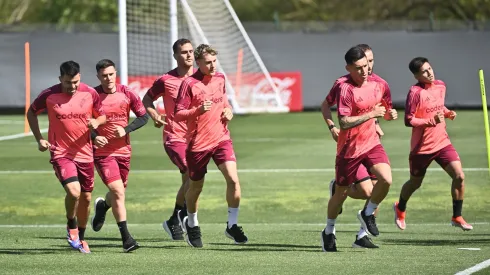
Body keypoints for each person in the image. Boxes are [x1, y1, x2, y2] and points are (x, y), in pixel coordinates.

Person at [320, 46, 397, 252]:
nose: (366, 70)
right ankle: (328, 231)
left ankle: (366, 219)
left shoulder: (380, 84)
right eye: (360, 67)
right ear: (348, 68)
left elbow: (385, 110)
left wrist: (386, 117)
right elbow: (344, 122)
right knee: (343, 194)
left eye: (368, 64)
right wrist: (332, 126)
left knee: (385, 181)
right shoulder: (343, 87)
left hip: (371, 144)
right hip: (349, 149)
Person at [26, 60, 106, 254]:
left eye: (76, 82)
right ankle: (71, 224)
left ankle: (80, 238)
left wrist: (96, 121)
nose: (73, 86)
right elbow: (31, 112)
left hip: (85, 153)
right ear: (60, 79)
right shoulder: (49, 95)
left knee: (86, 198)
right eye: (68, 82)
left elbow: (103, 115)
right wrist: (40, 139)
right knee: (74, 191)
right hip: (61, 152)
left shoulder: (90, 93)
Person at [174, 44, 248, 248]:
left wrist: (229, 111)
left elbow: (224, 101)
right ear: (198, 63)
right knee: (196, 187)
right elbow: (178, 114)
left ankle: (232, 225)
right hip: (198, 144)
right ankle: (192, 222)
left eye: (214, 61)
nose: (213, 65)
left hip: (221, 138)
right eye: (208, 62)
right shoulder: (189, 84)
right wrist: (197, 111)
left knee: (233, 180)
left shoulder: (220, 78)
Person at [393, 57, 473, 231]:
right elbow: (409, 120)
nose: (429, 73)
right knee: (415, 184)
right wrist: (431, 120)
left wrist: (447, 113)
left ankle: (457, 216)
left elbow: (439, 107)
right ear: (416, 76)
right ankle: (400, 207)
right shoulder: (415, 92)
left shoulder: (441, 85)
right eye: (424, 72)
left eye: (430, 69)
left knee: (459, 176)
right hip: (421, 148)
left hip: (442, 142)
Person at [90, 59, 149, 252]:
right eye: (104, 75)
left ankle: (102, 206)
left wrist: (126, 129)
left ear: (116, 73)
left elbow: (143, 117)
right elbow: (81, 122)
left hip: (123, 151)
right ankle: (127, 238)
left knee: (118, 191)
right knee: (118, 191)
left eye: (111, 74)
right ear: (98, 76)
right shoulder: (91, 96)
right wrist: (95, 137)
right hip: (102, 152)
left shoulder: (127, 93)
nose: (108, 78)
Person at [142, 38, 195, 241]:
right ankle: (182, 218)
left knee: (190, 181)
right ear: (175, 55)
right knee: (191, 173)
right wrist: (154, 114)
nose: (189, 55)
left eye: (191, 51)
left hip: (197, 138)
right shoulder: (166, 80)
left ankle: (174, 219)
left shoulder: (201, 79)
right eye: (184, 52)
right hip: (174, 136)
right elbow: (147, 99)